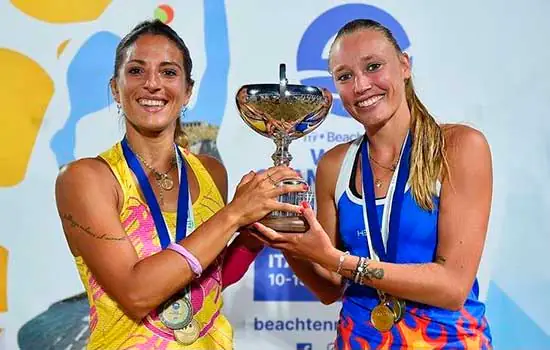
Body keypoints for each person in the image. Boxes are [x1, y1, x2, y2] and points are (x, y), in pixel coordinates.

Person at [55, 19, 304, 350]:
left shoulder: (210, 171)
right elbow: (137, 293)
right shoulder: (86, 178)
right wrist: (233, 215)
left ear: (187, 91)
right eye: (137, 71)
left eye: (169, 72)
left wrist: (251, 235)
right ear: (115, 88)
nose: (153, 84)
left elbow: (210, 281)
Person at [252, 19, 493, 349]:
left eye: (373, 66)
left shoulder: (458, 147)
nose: (361, 86)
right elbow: (329, 289)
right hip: (359, 340)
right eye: (345, 76)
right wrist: (287, 241)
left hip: (447, 341)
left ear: (404, 66)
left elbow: (452, 288)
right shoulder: (335, 164)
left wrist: (339, 261)